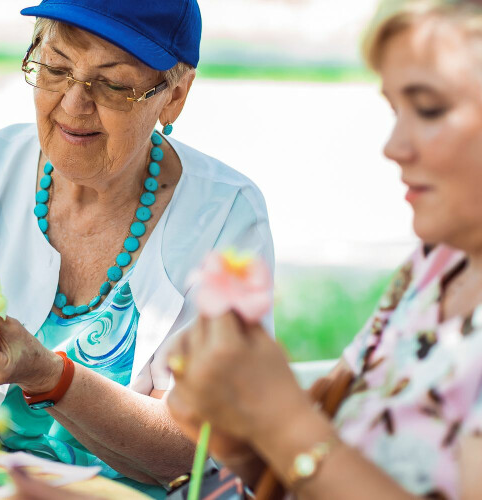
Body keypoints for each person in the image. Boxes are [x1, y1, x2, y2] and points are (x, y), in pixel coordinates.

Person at [0, 0, 274, 497]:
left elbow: (200, 449)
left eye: (113, 84)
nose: (73, 103)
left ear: (174, 96)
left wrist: (49, 377)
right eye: (56, 67)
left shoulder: (225, 217)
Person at [167, 0, 482, 498]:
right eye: (395, 110)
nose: (394, 146)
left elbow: (305, 444)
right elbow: (316, 472)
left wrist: (278, 419)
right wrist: (233, 429)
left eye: (428, 108)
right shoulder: (435, 267)